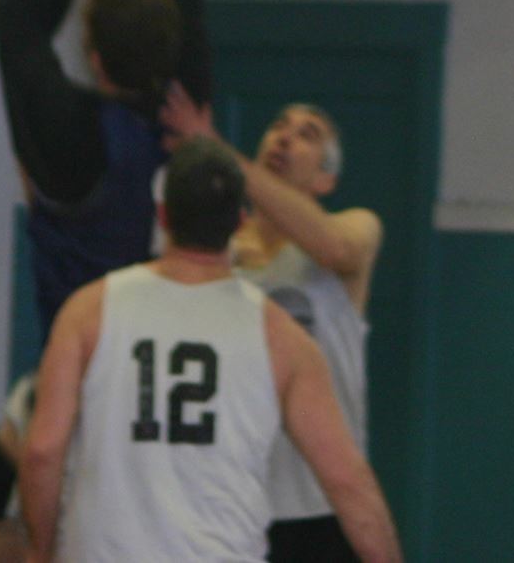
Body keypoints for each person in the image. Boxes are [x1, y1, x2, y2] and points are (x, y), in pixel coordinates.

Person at [0, 0, 228, 557]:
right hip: (183, 377)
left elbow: (16, 19)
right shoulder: (187, 110)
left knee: (20, 492)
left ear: (91, 53)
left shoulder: (68, 133)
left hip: (87, 373)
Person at [18, 137, 401, 563]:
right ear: (240, 221)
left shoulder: (90, 310)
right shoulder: (281, 336)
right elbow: (349, 482)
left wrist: (40, 548)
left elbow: (42, 452)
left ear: (163, 215)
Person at [164, 95, 382, 562]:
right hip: (229, 502)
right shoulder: (213, 251)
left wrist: (216, 149)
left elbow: (333, 247)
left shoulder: (355, 229)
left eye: (307, 134)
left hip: (317, 504)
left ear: (326, 178)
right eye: (279, 125)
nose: (285, 136)